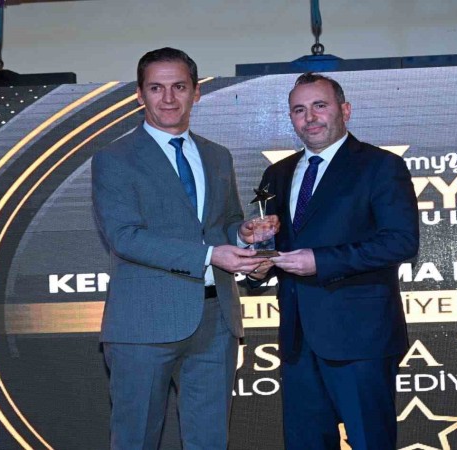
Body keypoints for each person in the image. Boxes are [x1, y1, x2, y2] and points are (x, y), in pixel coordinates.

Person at [91, 47, 274, 450]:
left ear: (196, 92)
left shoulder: (217, 155)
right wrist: (210, 255)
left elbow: (224, 223)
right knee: (135, 441)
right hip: (143, 324)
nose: (168, 98)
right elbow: (125, 237)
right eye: (156, 88)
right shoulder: (114, 158)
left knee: (209, 441)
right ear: (139, 94)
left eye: (179, 87)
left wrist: (243, 235)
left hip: (216, 320)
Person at [249, 73, 419, 449]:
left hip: (361, 339)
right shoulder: (276, 174)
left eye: (319, 106)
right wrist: (257, 263)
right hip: (297, 340)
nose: (309, 117)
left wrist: (321, 261)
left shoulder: (381, 166)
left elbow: (401, 242)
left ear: (345, 110)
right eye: (299, 110)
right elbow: (272, 245)